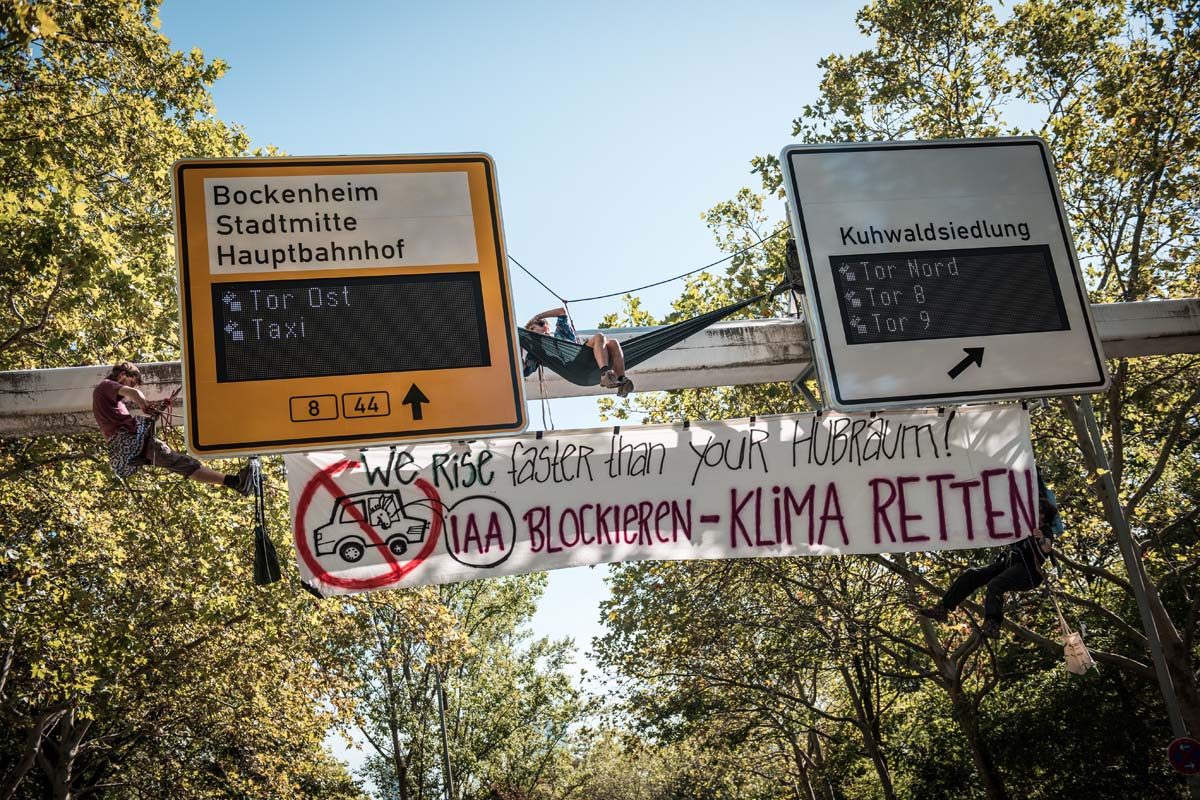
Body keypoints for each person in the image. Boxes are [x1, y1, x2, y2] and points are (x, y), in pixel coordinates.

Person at [919, 474, 1063, 639]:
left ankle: (993, 624)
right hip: (1009, 564)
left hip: (1028, 572)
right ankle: (943, 608)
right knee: (972, 574)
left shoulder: (1045, 531)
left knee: (996, 584)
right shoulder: (1022, 527)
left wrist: (1041, 538)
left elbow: (1046, 548)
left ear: (1042, 515)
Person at [93, 361, 251, 494]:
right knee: (185, 465)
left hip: (131, 449)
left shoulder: (112, 402)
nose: (133, 386)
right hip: (133, 445)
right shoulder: (106, 386)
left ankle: (235, 482)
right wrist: (143, 405)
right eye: (132, 382)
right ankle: (236, 482)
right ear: (122, 375)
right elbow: (134, 394)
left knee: (181, 464)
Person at [523, 307, 635, 398]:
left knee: (613, 343)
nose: (531, 333)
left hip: (583, 357)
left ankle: (622, 381)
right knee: (599, 337)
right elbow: (525, 371)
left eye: (532, 328)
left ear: (545, 327)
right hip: (573, 369)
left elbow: (561, 311)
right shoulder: (536, 351)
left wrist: (538, 317)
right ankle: (605, 374)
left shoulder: (561, 333)